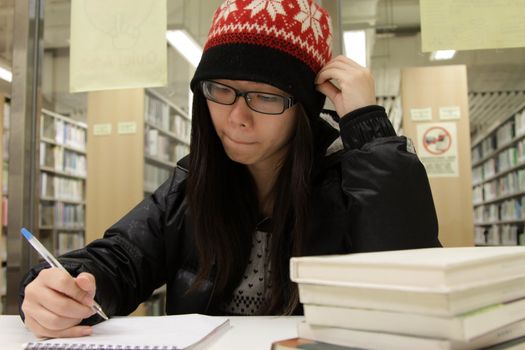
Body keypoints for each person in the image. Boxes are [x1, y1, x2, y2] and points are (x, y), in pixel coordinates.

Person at [19, 0, 440, 339]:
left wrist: (366, 125)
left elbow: (413, 277)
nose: (236, 117)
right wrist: (62, 288)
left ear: (305, 112)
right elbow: (119, 259)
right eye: (220, 90)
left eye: (266, 97)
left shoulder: (350, 180)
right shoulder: (190, 187)